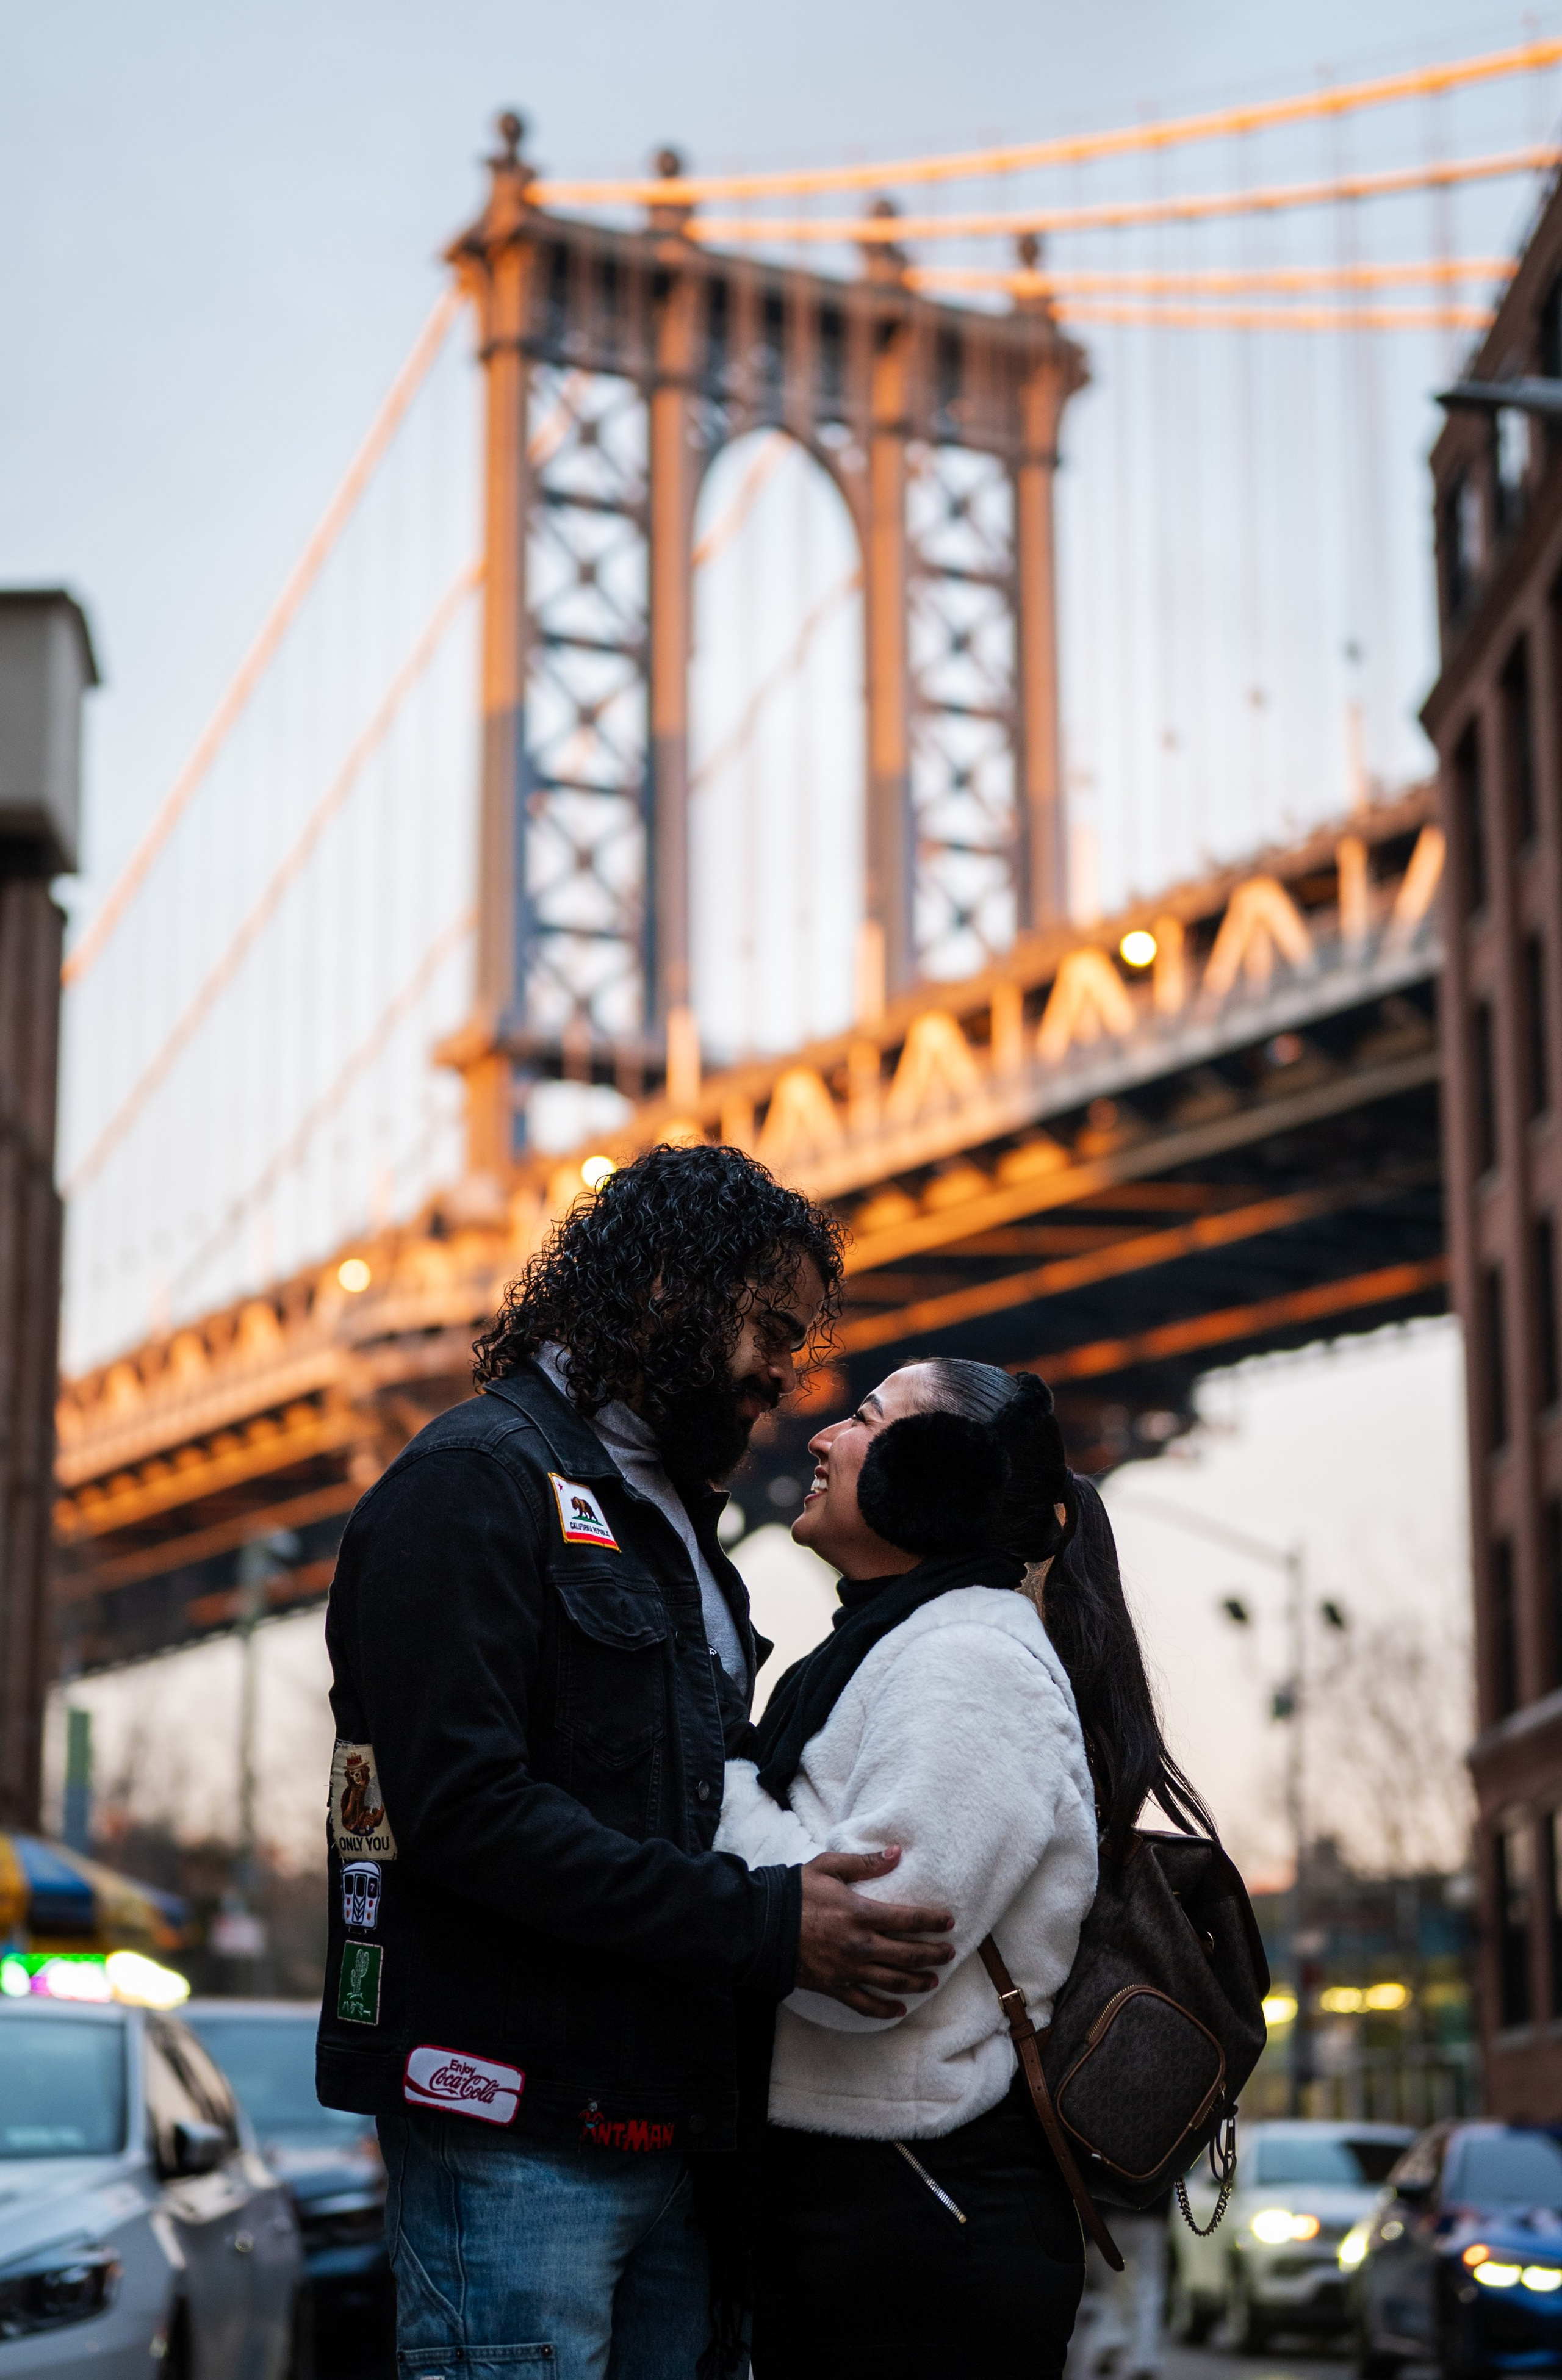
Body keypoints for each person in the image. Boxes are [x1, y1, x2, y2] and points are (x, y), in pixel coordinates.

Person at [315, 1144, 957, 2380]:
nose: (787, 1372)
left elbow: (695, 1801)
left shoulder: (673, 1525)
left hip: (673, 2135)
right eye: (767, 1328)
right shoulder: (469, 1482)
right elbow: (462, 1813)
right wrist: (766, 1923)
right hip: (513, 2137)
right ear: (665, 1284)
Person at [714, 1356, 1215, 2380]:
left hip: (916, 2219)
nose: (815, 1437)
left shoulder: (970, 1661)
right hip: (866, 2200)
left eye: (862, 1417)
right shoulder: (888, 1648)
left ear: (937, 1474)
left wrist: (716, 1779)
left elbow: (865, 1963)